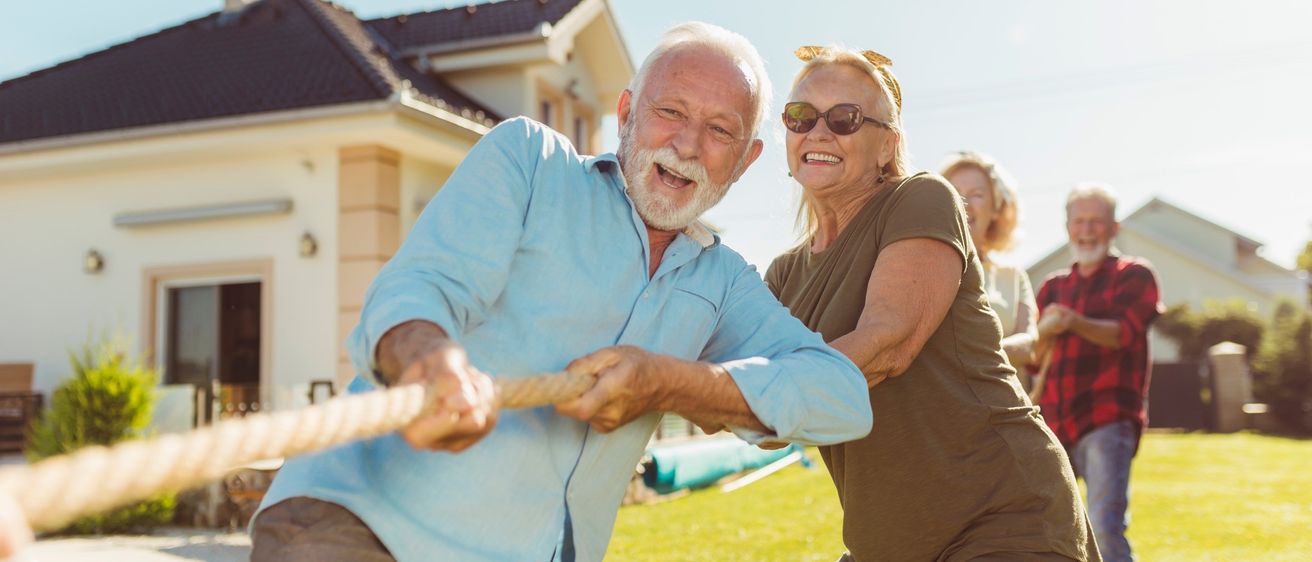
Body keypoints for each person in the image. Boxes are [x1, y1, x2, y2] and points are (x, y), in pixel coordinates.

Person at [249, 23, 872, 562]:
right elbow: (423, 286)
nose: (686, 145)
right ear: (626, 113)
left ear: (745, 160)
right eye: (670, 112)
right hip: (355, 526)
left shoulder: (725, 281)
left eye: (718, 130)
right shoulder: (530, 161)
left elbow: (842, 398)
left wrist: (674, 384)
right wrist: (427, 362)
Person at [765, 45, 1097, 561]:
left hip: (1003, 517)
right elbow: (764, 426)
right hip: (887, 544)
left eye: (846, 118)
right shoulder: (784, 275)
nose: (818, 131)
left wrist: (734, 392)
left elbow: (886, 343)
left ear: (886, 146)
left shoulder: (921, 199)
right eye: (800, 116)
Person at [1033, 184, 1163, 562]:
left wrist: (1072, 321)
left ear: (1113, 228)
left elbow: (1123, 333)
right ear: (1067, 227)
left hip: (1107, 420)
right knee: (1049, 529)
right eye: (1079, 222)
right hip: (1054, 424)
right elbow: (1033, 360)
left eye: (1096, 222)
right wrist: (1044, 331)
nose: (1086, 230)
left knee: (1104, 528)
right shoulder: (1052, 287)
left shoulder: (1134, 275)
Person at [942, 152, 1040, 393]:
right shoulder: (925, 270)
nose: (964, 202)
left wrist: (970, 358)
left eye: (977, 195)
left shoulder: (1014, 277)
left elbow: (1028, 344)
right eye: (955, 193)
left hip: (1005, 407)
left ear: (996, 208)